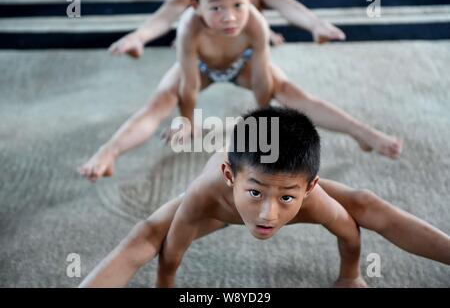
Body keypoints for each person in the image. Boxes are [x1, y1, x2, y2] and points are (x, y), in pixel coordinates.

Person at [79, 107, 450, 288]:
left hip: (270, 185)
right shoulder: (205, 190)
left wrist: (350, 277)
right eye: (256, 194)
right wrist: (166, 285)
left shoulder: (311, 198)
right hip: (221, 207)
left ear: (310, 187)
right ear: (229, 175)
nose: (268, 214)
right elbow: (177, 240)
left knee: (366, 203)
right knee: (145, 233)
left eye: (287, 199)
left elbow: (348, 230)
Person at [78, 0, 402, 182]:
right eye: (218, 8)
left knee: (293, 93)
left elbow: (262, 77)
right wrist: (187, 122)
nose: (230, 17)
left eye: (237, 6)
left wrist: (262, 119)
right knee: (160, 101)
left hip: (244, 62)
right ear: (198, 5)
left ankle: (362, 133)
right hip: (200, 65)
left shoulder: (254, 18)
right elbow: (188, 83)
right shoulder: (189, 23)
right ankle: (110, 151)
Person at [109, 0, 346, 59]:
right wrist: (138, 36)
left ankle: (315, 28)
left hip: (250, 13)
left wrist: (316, 23)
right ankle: (141, 39)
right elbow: (165, 15)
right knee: (181, 3)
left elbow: (286, 4)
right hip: (204, 21)